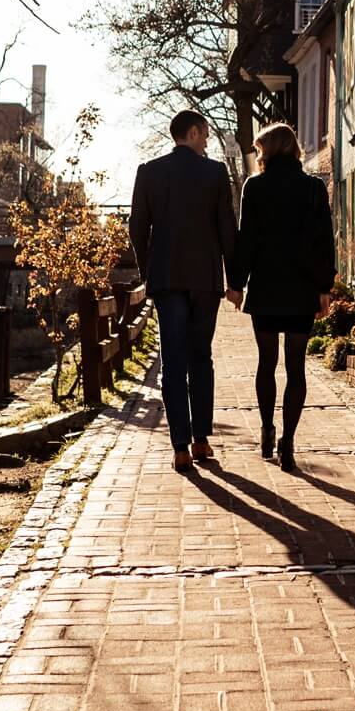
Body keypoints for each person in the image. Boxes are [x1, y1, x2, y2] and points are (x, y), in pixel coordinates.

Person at [129, 107, 239, 473]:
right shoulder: (214, 172)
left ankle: (180, 447)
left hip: (167, 278)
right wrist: (234, 280)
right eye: (205, 134)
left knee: (173, 362)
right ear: (192, 133)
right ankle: (201, 438)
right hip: (205, 279)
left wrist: (148, 272)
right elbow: (227, 229)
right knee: (200, 358)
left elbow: (137, 227)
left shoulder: (150, 172)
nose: (207, 142)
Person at [227, 122, 335, 472]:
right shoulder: (313, 188)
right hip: (302, 287)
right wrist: (324, 286)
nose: (257, 156)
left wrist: (236, 282)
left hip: (267, 287)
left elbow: (247, 239)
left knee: (266, 363)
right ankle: (288, 440)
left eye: (259, 150)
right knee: (296, 366)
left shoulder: (255, 187)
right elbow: (324, 241)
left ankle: (267, 429)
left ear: (270, 150)